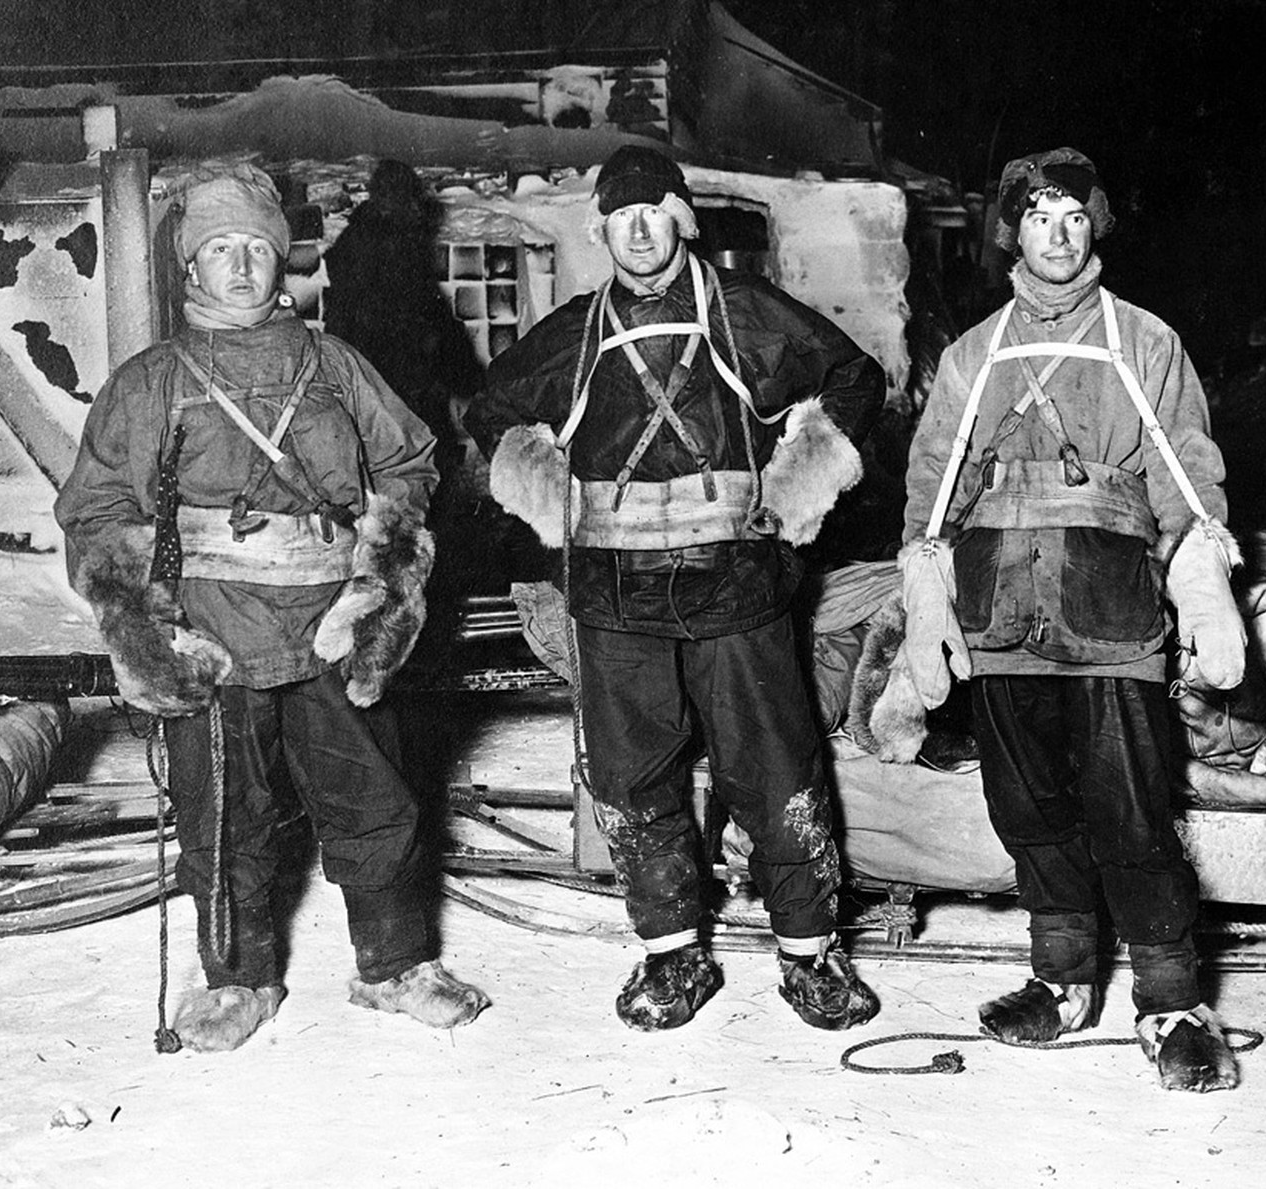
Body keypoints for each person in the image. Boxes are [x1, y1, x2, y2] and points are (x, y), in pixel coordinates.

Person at [55, 162, 489, 1052]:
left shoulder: (335, 366)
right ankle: (237, 979)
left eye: (257, 247)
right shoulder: (152, 382)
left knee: (377, 795)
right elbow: (98, 511)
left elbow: (409, 462)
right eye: (221, 250)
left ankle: (397, 961)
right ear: (191, 270)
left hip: (330, 620)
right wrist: (147, 633)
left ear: (281, 260)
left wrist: (380, 586)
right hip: (212, 625)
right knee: (225, 809)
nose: (243, 267)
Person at [465, 145, 885, 1032]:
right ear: (604, 229)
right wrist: (550, 498)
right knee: (629, 776)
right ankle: (671, 953)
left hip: (737, 589)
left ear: (681, 220)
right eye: (623, 216)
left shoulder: (744, 314)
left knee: (774, 767)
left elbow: (855, 376)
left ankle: (812, 955)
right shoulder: (577, 332)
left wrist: (799, 481)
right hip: (615, 599)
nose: (641, 229)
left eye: (656, 210)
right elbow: (491, 409)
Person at [897, 147, 1245, 1090]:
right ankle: (1061, 978)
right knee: (1028, 811)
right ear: (1014, 231)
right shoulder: (975, 354)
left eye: (1074, 216)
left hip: (1111, 615)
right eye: (1039, 215)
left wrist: (1202, 578)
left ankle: (1171, 998)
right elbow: (935, 491)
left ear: (1095, 227)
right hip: (1000, 617)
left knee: (1132, 813)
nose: (1058, 233)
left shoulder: (1145, 343)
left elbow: (1187, 478)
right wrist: (926, 586)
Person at [321, 159, 484, 485]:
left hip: (388, 389)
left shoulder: (375, 241)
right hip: (393, 387)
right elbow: (426, 317)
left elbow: (429, 314)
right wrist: (467, 376)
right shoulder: (387, 245)